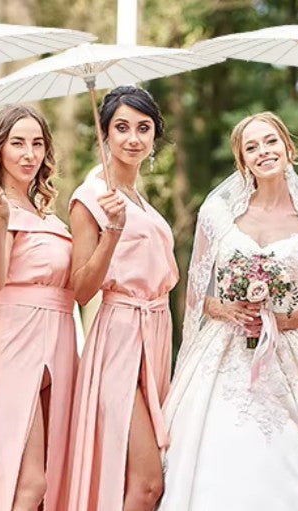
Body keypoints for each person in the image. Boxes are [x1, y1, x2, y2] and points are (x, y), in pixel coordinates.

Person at [160, 112, 298, 510]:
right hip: (222, 353)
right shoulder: (218, 215)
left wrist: (274, 321)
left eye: (270, 141)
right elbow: (197, 295)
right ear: (243, 161)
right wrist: (225, 308)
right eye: (251, 147)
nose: (263, 152)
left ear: (288, 147)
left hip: (283, 352)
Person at [67, 85, 178, 511]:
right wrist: (112, 230)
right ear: (105, 133)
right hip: (120, 338)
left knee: (146, 475)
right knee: (147, 483)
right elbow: (81, 289)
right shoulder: (90, 198)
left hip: (156, 334)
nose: (133, 138)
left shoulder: (140, 199)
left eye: (143, 128)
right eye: (122, 127)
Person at [0, 105, 77, 510]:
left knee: (55, 477)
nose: (29, 154)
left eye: (37, 144)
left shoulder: (51, 218)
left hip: (61, 339)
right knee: (30, 482)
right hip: (16, 339)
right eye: (17, 143)